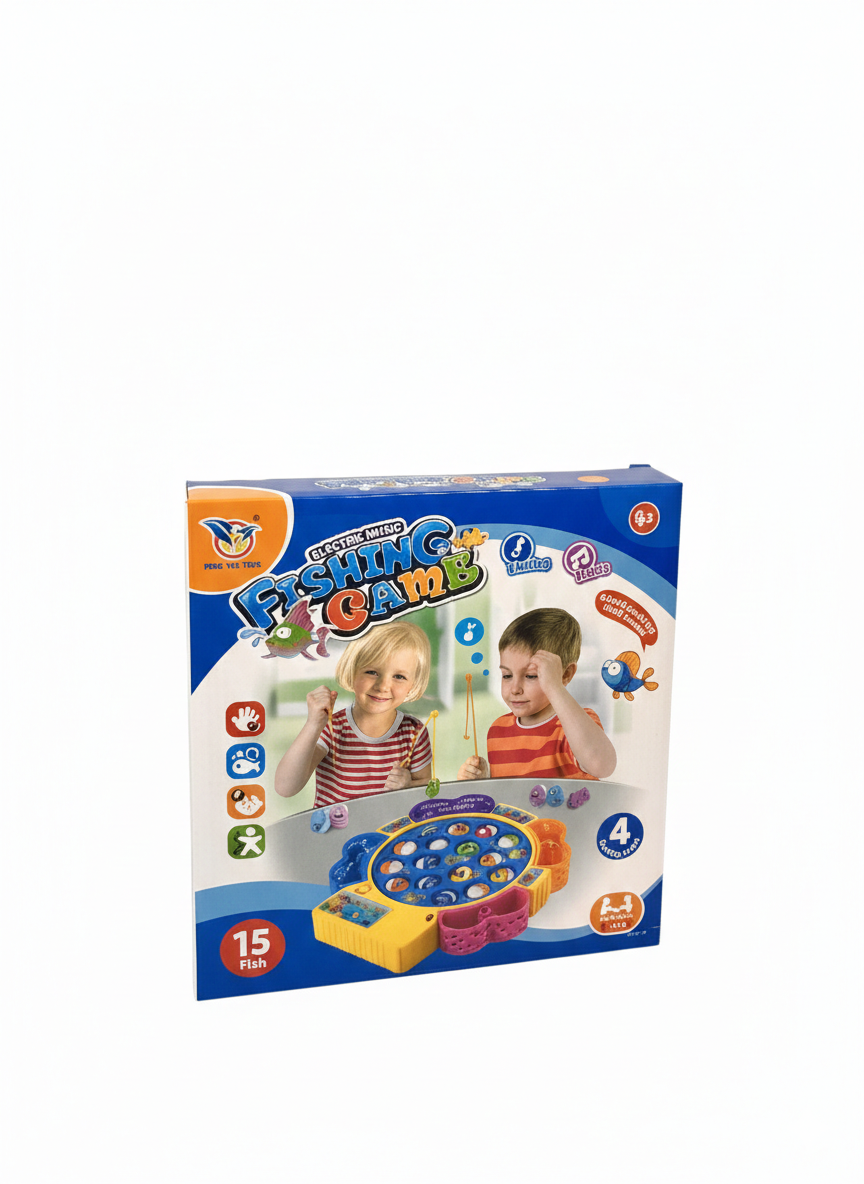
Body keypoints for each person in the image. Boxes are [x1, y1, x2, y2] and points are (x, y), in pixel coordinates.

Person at [274, 619, 433, 808]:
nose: (383, 686)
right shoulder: (331, 727)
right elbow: (285, 787)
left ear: (413, 685)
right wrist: (313, 724)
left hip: (390, 827)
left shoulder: (414, 732)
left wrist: (408, 785)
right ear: (352, 671)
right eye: (372, 672)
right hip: (334, 827)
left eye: (399, 676)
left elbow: (428, 790)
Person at [457, 607, 616, 782]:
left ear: (565, 674)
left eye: (531, 676)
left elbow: (602, 766)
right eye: (507, 675)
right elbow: (507, 795)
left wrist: (555, 688)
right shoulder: (498, 730)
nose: (515, 689)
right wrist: (483, 781)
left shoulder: (574, 726)